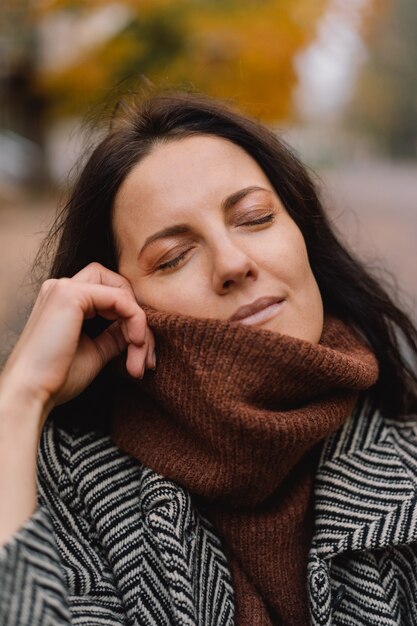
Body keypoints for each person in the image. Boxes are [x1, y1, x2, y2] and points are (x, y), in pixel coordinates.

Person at [0, 89, 416, 626]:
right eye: (173, 257)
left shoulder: (402, 459)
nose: (233, 262)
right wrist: (19, 397)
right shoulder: (55, 494)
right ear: (119, 305)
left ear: (303, 233)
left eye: (255, 217)